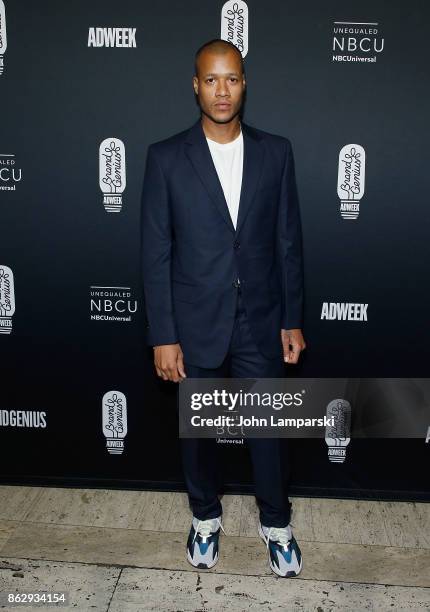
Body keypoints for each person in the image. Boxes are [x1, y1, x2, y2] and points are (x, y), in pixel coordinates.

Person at [140, 38, 306, 578]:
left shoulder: (275, 151)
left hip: (259, 320)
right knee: (199, 434)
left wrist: (292, 318)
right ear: (195, 85)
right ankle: (205, 519)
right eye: (210, 79)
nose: (221, 90)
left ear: (244, 83)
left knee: (267, 433)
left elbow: (288, 243)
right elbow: (156, 252)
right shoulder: (165, 157)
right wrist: (163, 334)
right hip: (195, 323)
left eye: (231, 78)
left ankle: (276, 525)